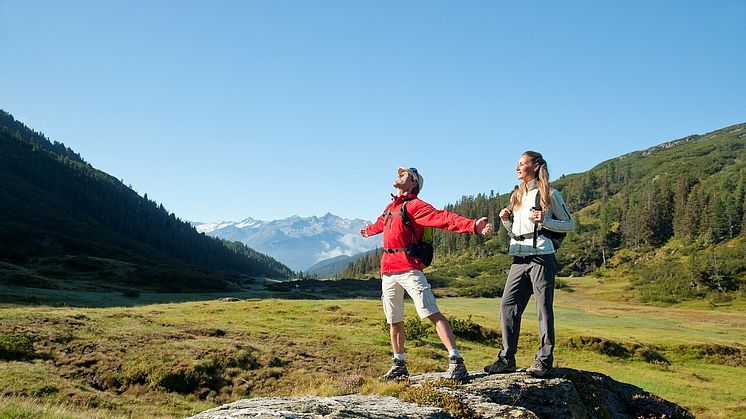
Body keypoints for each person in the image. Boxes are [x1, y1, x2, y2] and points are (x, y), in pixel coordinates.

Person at [361, 167, 493, 382]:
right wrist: (368, 231)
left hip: (409, 268)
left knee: (431, 312)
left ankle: (456, 362)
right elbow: (379, 225)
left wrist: (472, 226)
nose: (399, 175)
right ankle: (399, 365)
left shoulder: (415, 206)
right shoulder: (390, 207)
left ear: (413, 182)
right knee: (394, 320)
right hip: (388, 271)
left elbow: (443, 218)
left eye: (404, 174)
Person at [484, 151, 574, 378]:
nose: (517, 168)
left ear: (535, 166)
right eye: (517, 164)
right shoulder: (517, 196)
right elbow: (516, 232)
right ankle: (507, 360)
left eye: (522, 164)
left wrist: (545, 220)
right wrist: (506, 221)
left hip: (542, 256)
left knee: (543, 309)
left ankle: (544, 360)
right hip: (519, 258)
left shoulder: (550, 193)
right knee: (508, 305)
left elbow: (569, 224)